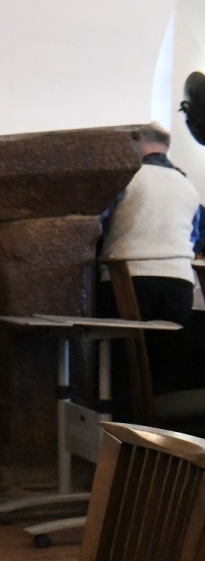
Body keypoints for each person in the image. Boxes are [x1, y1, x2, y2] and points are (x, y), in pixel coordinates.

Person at [98, 121, 204, 398]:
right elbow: (196, 236)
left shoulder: (128, 178)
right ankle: (160, 422)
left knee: (123, 364)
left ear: (137, 143)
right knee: (165, 365)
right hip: (179, 283)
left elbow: (97, 224)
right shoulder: (187, 185)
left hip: (129, 278)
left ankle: (120, 420)